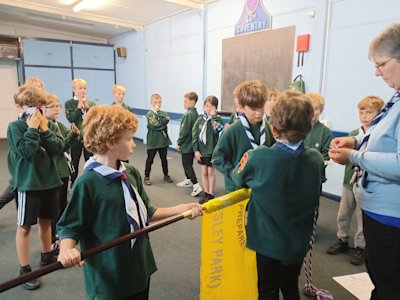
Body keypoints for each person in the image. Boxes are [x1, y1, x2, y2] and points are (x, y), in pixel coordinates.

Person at [57, 105, 203, 299]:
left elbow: (147, 213)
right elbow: (70, 227)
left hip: (139, 267)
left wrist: (181, 209)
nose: (134, 144)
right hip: (110, 276)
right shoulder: (88, 183)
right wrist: (66, 250)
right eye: (128, 139)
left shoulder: (130, 173)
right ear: (109, 142)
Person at [329, 22, 400, 299]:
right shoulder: (395, 97)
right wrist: (356, 141)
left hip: (391, 217)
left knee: (389, 285)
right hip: (378, 210)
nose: (376, 71)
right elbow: (385, 136)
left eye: (381, 64)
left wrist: (355, 156)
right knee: (380, 278)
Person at [231, 90, 324, 300]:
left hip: (267, 243)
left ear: (273, 128)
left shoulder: (257, 157)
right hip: (298, 242)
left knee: (267, 290)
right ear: (309, 128)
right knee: (290, 286)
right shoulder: (316, 159)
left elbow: (237, 178)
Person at [7, 86, 64, 290]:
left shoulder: (45, 123)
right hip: (28, 184)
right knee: (24, 227)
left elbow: (57, 148)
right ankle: (24, 270)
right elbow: (25, 151)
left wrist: (44, 129)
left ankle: (46, 255)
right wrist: (32, 128)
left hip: (49, 182)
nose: (35, 110)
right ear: (20, 106)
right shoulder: (15, 127)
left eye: (38, 106)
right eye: (30, 106)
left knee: (46, 221)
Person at [327, 96, 384, 266]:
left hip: (366, 184)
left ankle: (361, 247)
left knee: (361, 216)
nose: (365, 116)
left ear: (379, 114)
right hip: (348, 182)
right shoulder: (353, 135)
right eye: (362, 112)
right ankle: (342, 239)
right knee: (343, 213)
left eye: (369, 112)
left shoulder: (378, 137)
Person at [212, 80, 275, 193]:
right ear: (241, 107)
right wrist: (233, 174)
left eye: (261, 107)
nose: (259, 113)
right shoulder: (232, 131)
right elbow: (217, 159)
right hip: (237, 190)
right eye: (253, 109)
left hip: (261, 187)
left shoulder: (269, 128)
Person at [43, 93, 80, 253]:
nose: (57, 108)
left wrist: (75, 135)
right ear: (43, 109)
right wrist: (72, 136)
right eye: (53, 106)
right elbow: (59, 146)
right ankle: (51, 239)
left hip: (64, 170)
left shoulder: (58, 124)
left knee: (62, 205)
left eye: (58, 105)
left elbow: (71, 140)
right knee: (53, 208)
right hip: (54, 171)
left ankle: (60, 234)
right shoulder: (45, 126)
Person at [0, 77, 45, 211]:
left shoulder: (41, 108)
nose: (38, 89)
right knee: (15, 186)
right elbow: (24, 148)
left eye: (40, 87)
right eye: (34, 87)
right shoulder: (18, 123)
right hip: (24, 161)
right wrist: (33, 128)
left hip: (40, 162)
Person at [192, 96, 224, 203]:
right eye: (207, 106)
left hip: (212, 151)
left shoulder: (216, 120)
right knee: (204, 172)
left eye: (211, 106)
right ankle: (205, 193)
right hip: (202, 151)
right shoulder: (200, 119)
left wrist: (213, 117)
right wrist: (196, 150)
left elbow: (217, 130)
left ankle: (211, 194)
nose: (209, 108)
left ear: (215, 107)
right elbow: (195, 135)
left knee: (211, 172)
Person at [64, 78, 95, 186]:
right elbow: (71, 119)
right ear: (73, 89)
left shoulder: (91, 103)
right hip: (76, 138)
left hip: (89, 137)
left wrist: (88, 109)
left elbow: (95, 119)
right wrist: (78, 108)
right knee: (75, 162)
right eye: (80, 88)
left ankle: (90, 183)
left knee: (90, 161)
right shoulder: (69, 103)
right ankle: (73, 184)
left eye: (84, 88)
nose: (83, 90)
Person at [176, 91, 203, 197]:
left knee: (187, 165)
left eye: (185, 101)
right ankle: (188, 180)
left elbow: (184, 131)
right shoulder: (196, 113)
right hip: (193, 145)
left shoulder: (187, 114)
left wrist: (179, 143)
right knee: (189, 163)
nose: (184, 103)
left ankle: (196, 185)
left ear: (192, 102)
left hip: (186, 145)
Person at [144, 93, 173, 185]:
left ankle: (166, 175)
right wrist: (162, 124)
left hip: (162, 141)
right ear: (151, 102)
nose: (158, 104)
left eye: (159, 102)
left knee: (164, 159)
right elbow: (153, 125)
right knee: (150, 159)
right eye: (155, 102)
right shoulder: (150, 113)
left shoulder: (163, 113)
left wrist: (160, 121)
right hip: (153, 141)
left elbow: (167, 119)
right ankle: (146, 176)